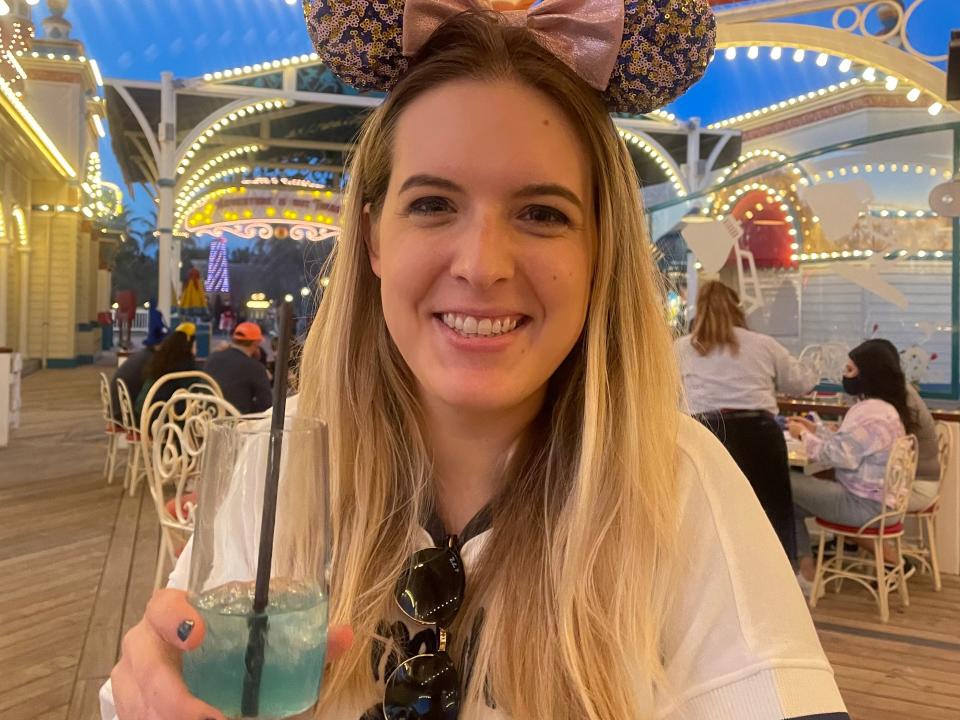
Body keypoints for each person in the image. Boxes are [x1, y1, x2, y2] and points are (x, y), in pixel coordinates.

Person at [104, 7, 851, 720]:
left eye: (542, 214)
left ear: (600, 253)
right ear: (371, 239)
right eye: (432, 204)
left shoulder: (681, 488)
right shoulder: (275, 467)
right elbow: (169, 675)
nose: (483, 264)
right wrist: (154, 688)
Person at [676, 280, 818, 563]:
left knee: (711, 514)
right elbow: (800, 383)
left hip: (707, 434)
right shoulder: (763, 345)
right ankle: (776, 574)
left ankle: (715, 577)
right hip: (759, 436)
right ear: (737, 308)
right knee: (770, 512)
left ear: (699, 310)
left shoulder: (682, 348)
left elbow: (665, 391)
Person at [788, 340, 913, 595]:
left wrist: (802, 435)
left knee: (779, 480)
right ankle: (807, 574)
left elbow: (838, 456)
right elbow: (850, 446)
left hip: (863, 505)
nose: (844, 376)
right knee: (785, 501)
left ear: (868, 374)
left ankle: (809, 577)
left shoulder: (869, 412)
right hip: (881, 503)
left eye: (850, 370)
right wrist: (817, 430)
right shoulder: (885, 409)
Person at [857, 339, 941, 512]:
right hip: (917, 481)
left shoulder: (897, 400)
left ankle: (877, 540)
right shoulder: (897, 392)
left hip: (915, 487)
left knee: (849, 499)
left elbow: (873, 449)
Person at [202, 321, 273, 415]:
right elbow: (265, 405)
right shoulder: (255, 367)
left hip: (204, 418)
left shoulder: (212, 357)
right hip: (236, 423)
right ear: (256, 343)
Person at [132, 322, 198, 422]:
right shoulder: (187, 367)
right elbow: (195, 394)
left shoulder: (159, 360)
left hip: (142, 416)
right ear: (190, 345)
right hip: (162, 425)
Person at [109, 323, 166, 422]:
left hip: (117, 408)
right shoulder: (151, 360)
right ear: (160, 344)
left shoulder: (142, 355)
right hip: (126, 415)